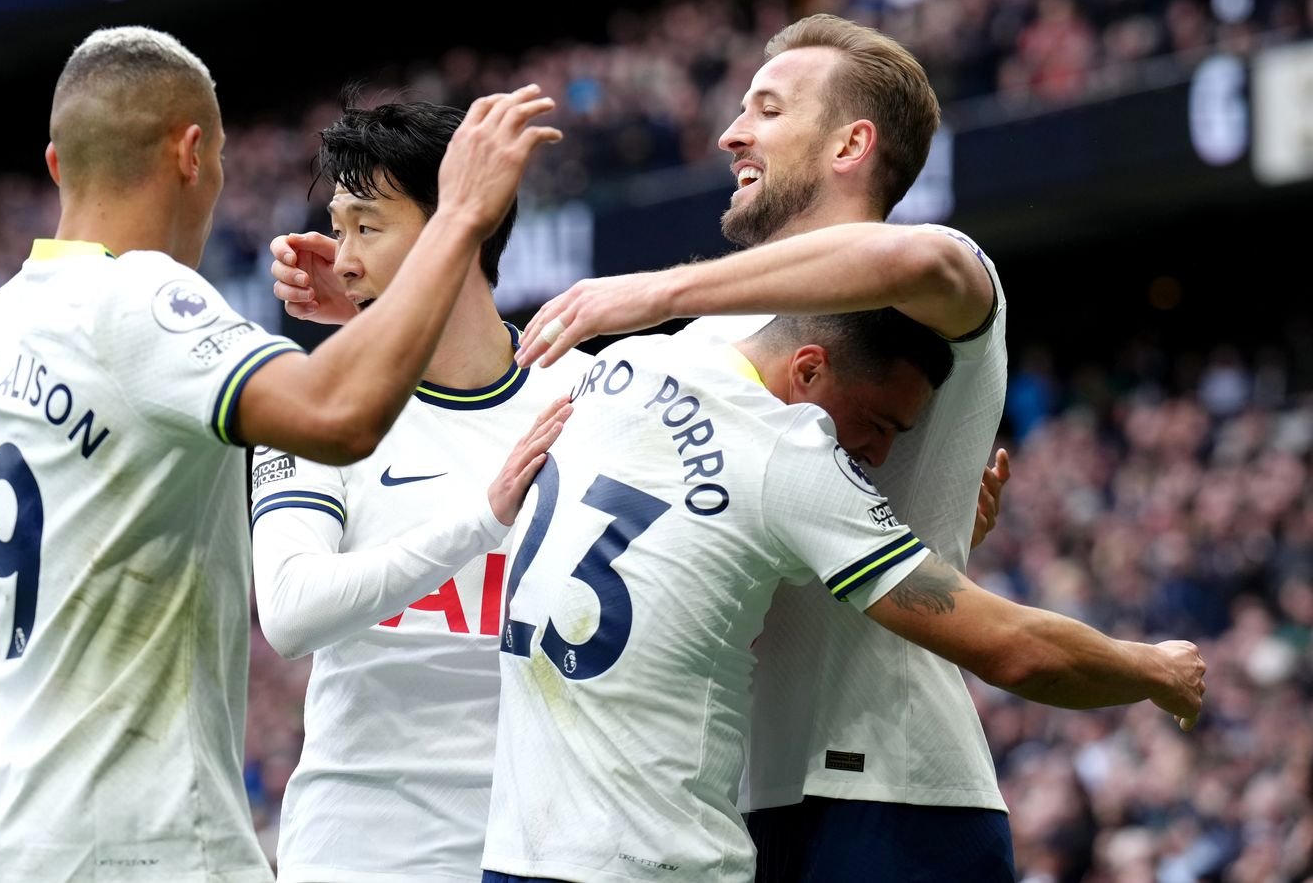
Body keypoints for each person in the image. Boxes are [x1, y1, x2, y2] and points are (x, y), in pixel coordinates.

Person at [0, 27, 561, 881]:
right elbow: (341, 418)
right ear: (193, 152)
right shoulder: (148, 299)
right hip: (136, 834)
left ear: (59, 165)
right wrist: (460, 215)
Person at [511, 14, 1028, 880]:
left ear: (850, 144)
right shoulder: (733, 334)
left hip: (892, 792)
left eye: (769, 109)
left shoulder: (935, 277)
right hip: (741, 800)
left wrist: (660, 289)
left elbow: (920, 263)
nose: (730, 132)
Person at [480, 310, 1205, 883]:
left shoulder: (623, 363)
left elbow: (688, 555)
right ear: (809, 367)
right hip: (656, 858)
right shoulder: (788, 453)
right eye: (880, 423)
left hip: (518, 847)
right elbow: (1013, 652)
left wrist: (929, 545)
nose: (881, 454)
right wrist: (1153, 669)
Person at [249, 98, 595, 883]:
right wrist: (480, 518)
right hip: (366, 854)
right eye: (338, 229)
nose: (340, 260)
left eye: (367, 228)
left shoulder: (588, 395)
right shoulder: (310, 403)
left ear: (459, 226)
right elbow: (293, 612)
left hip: (550, 846)